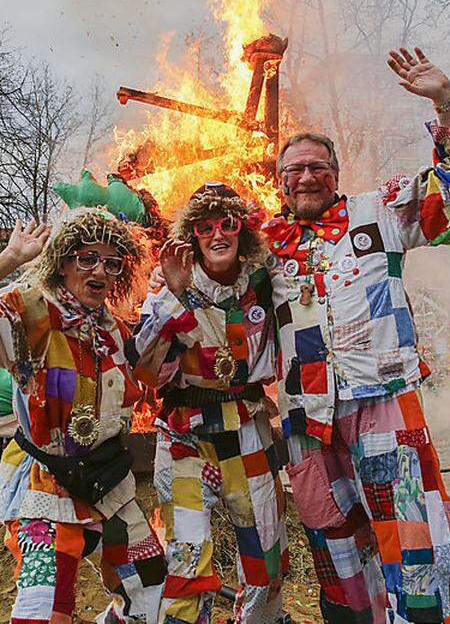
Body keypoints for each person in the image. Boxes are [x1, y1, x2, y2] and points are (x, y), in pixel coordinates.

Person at [259, 48, 450, 622]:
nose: (307, 176)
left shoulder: (381, 212)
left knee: (412, 543)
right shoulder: (262, 247)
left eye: (318, 165)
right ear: (278, 182)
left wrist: (446, 102)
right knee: (336, 552)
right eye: (293, 169)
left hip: (383, 406)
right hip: (307, 423)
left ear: (336, 174)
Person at [0, 212, 167, 623]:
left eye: (112, 263)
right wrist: (8, 260)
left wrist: (172, 298)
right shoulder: (31, 311)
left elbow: (152, 380)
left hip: (108, 481)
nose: (100, 271)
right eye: (87, 258)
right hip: (47, 485)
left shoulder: (114, 331)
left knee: (153, 586)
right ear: (62, 261)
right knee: (45, 608)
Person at [132, 182, 289, 622]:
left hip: (248, 433)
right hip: (185, 438)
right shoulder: (170, 286)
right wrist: (175, 297)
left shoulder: (264, 279)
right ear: (192, 236)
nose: (217, 235)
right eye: (205, 227)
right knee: (186, 563)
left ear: (242, 230)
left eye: (227, 224)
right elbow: (144, 373)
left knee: (266, 561)